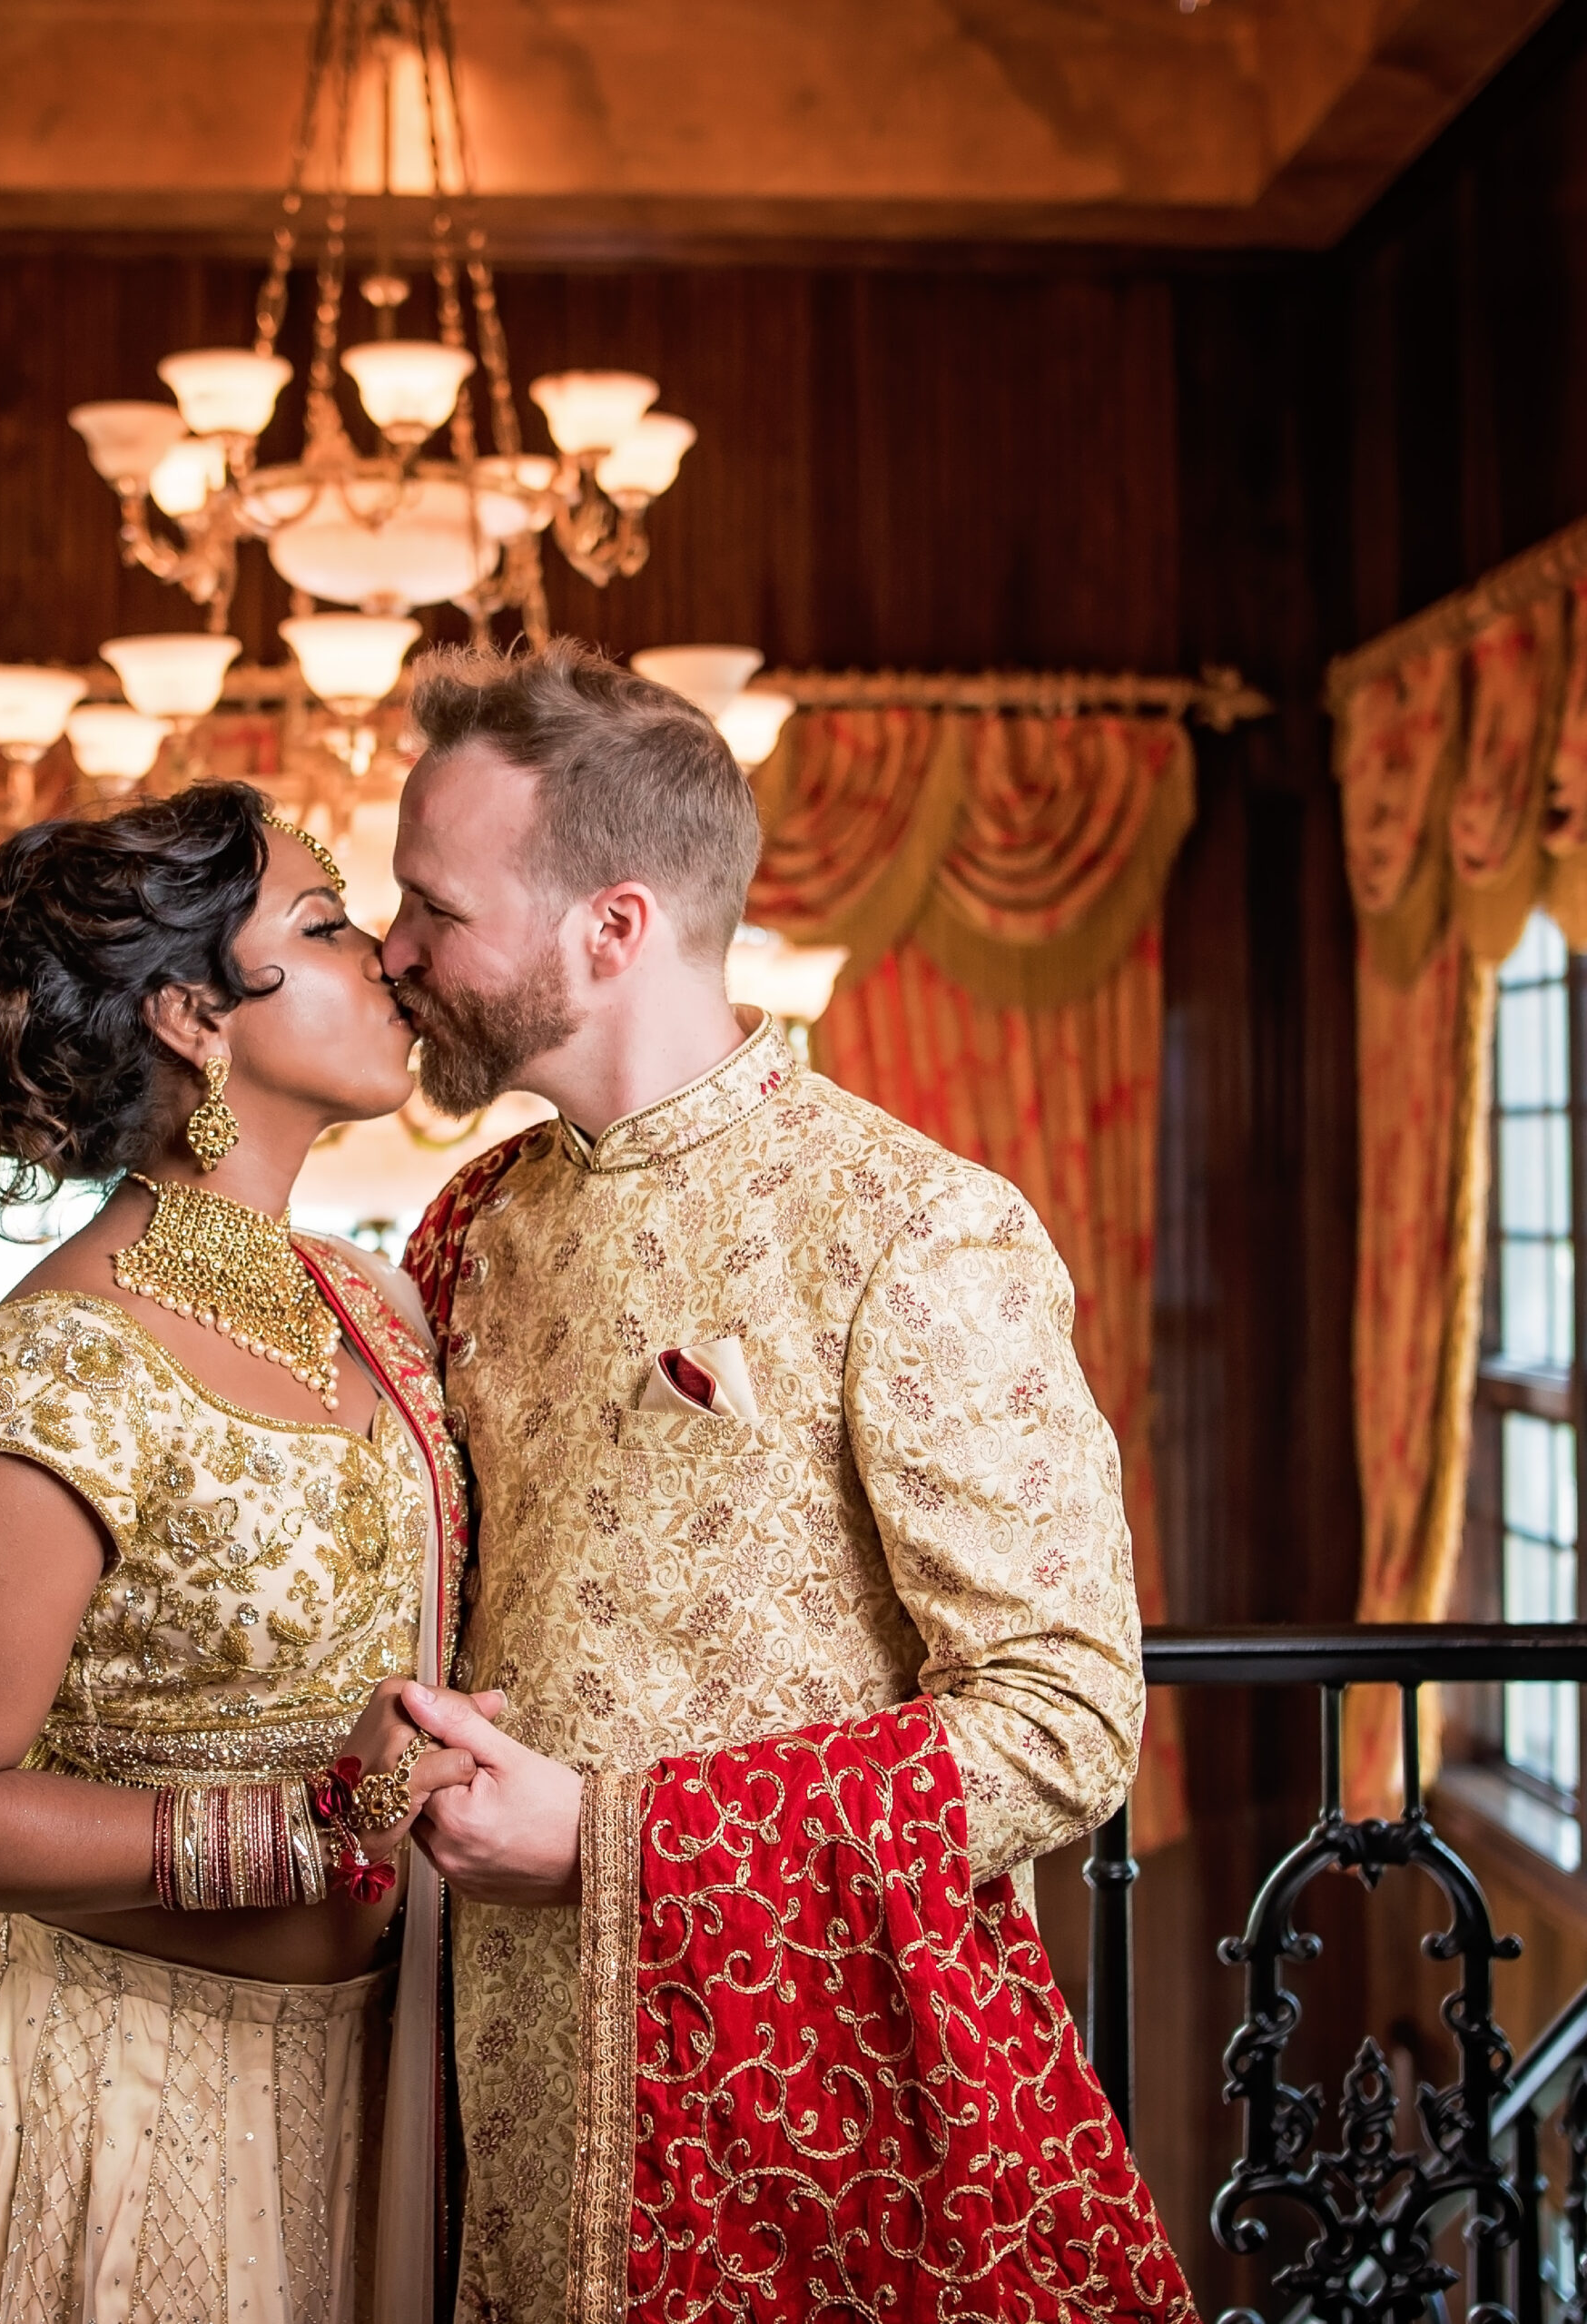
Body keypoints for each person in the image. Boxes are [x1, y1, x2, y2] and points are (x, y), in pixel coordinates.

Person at [378, 642, 1196, 2322]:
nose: (393, 953)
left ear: (612, 928)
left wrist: (617, 1842)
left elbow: (1066, 1720)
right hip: (501, 2088)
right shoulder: (468, 1228)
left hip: (817, 2107)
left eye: (434, 909)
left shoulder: (912, 1228)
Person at [0, 783, 475, 2324]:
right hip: (114, 2098)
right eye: (326, 926)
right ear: (195, 1018)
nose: (386, 956)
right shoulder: (61, 1367)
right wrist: (303, 1831)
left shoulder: (373, 1308)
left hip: (376, 2083)